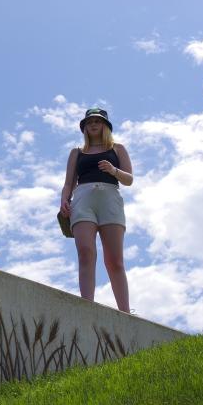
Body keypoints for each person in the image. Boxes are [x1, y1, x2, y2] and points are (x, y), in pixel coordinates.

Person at [59, 107, 133, 312]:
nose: (93, 124)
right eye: (90, 121)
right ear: (84, 127)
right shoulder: (77, 152)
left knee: (114, 260)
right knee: (85, 252)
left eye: (98, 121)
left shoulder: (118, 149)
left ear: (105, 126)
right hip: (83, 200)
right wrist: (64, 200)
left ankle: (125, 312)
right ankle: (87, 307)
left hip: (110, 200)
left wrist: (113, 170)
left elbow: (129, 179)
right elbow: (68, 183)